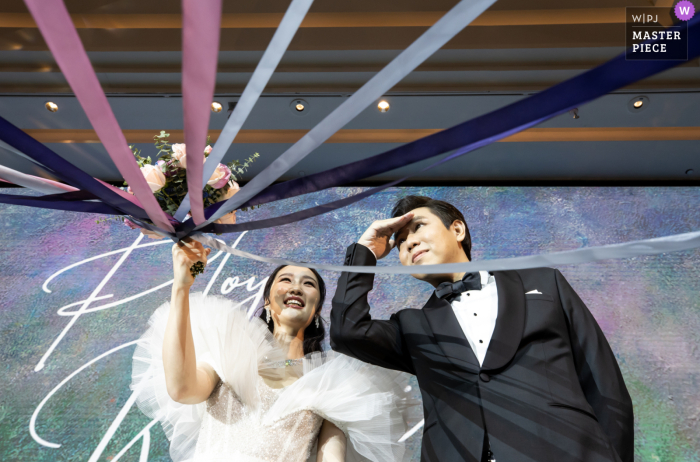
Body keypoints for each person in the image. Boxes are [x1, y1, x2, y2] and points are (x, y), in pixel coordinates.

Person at [330, 195, 634, 462]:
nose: (409, 242)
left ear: (458, 229)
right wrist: (364, 251)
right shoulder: (411, 326)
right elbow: (347, 331)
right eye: (400, 242)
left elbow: (605, 386)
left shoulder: (544, 283)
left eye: (418, 226)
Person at [131, 238, 418, 462]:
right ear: (267, 301)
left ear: (316, 309)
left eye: (308, 284)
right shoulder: (229, 354)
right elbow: (182, 389)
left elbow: (330, 456)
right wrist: (181, 287)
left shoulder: (332, 380)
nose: (296, 288)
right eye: (285, 280)